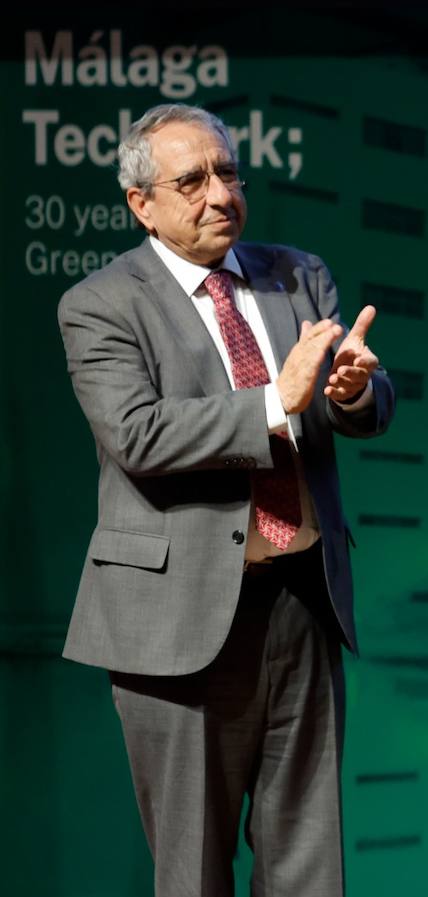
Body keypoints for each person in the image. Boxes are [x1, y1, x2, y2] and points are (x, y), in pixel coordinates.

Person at [57, 102, 395, 896]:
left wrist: (350, 389)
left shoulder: (297, 274)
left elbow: (367, 404)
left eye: (228, 173)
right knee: (193, 870)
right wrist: (279, 400)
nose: (220, 195)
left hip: (303, 604)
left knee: (311, 868)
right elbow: (137, 435)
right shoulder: (100, 302)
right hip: (176, 624)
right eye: (193, 180)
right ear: (141, 203)